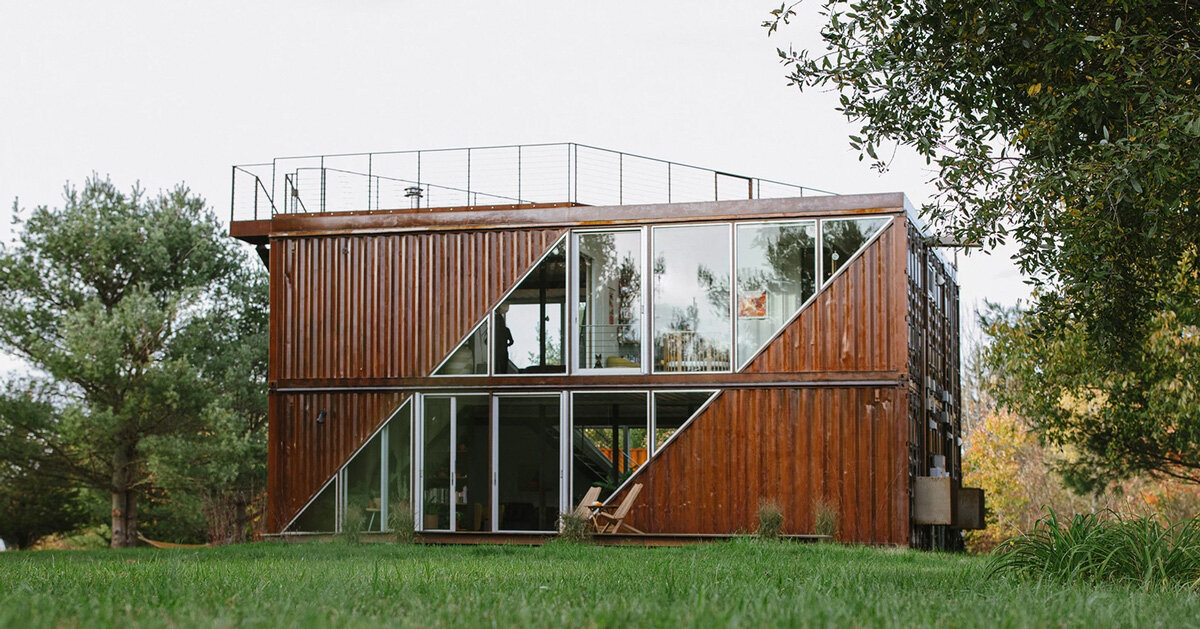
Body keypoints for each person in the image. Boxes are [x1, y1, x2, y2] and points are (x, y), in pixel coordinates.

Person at [494, 304, 515, 373]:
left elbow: (486, 341)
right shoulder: (506, 330)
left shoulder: (494, 331)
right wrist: (506, 345)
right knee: (503, 369)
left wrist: (493, 345)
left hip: (496, 352)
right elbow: (511, 342)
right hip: (503, 352)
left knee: (496, 369)